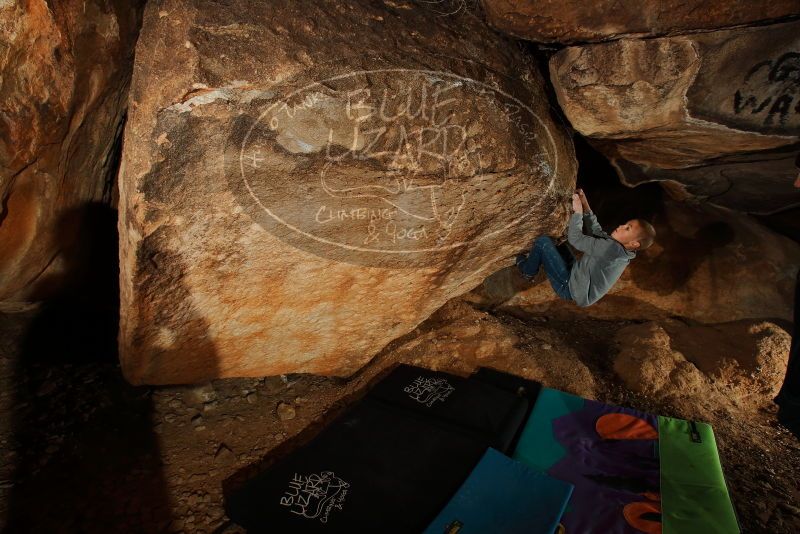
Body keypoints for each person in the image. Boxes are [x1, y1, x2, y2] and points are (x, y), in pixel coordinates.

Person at [515, 189, 656, 307]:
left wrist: (578, 213)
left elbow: (576, 239)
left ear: (634, 244)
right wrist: (585, 204)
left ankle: (527, 271)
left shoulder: (611, 251)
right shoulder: (621, 251)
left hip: (569, 287)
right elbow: (597, 232)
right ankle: (535, 265)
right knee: (558, 242)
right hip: (576, 274)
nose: (620, 226)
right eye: (625, 224)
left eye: (627, 228)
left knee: (543, 242)